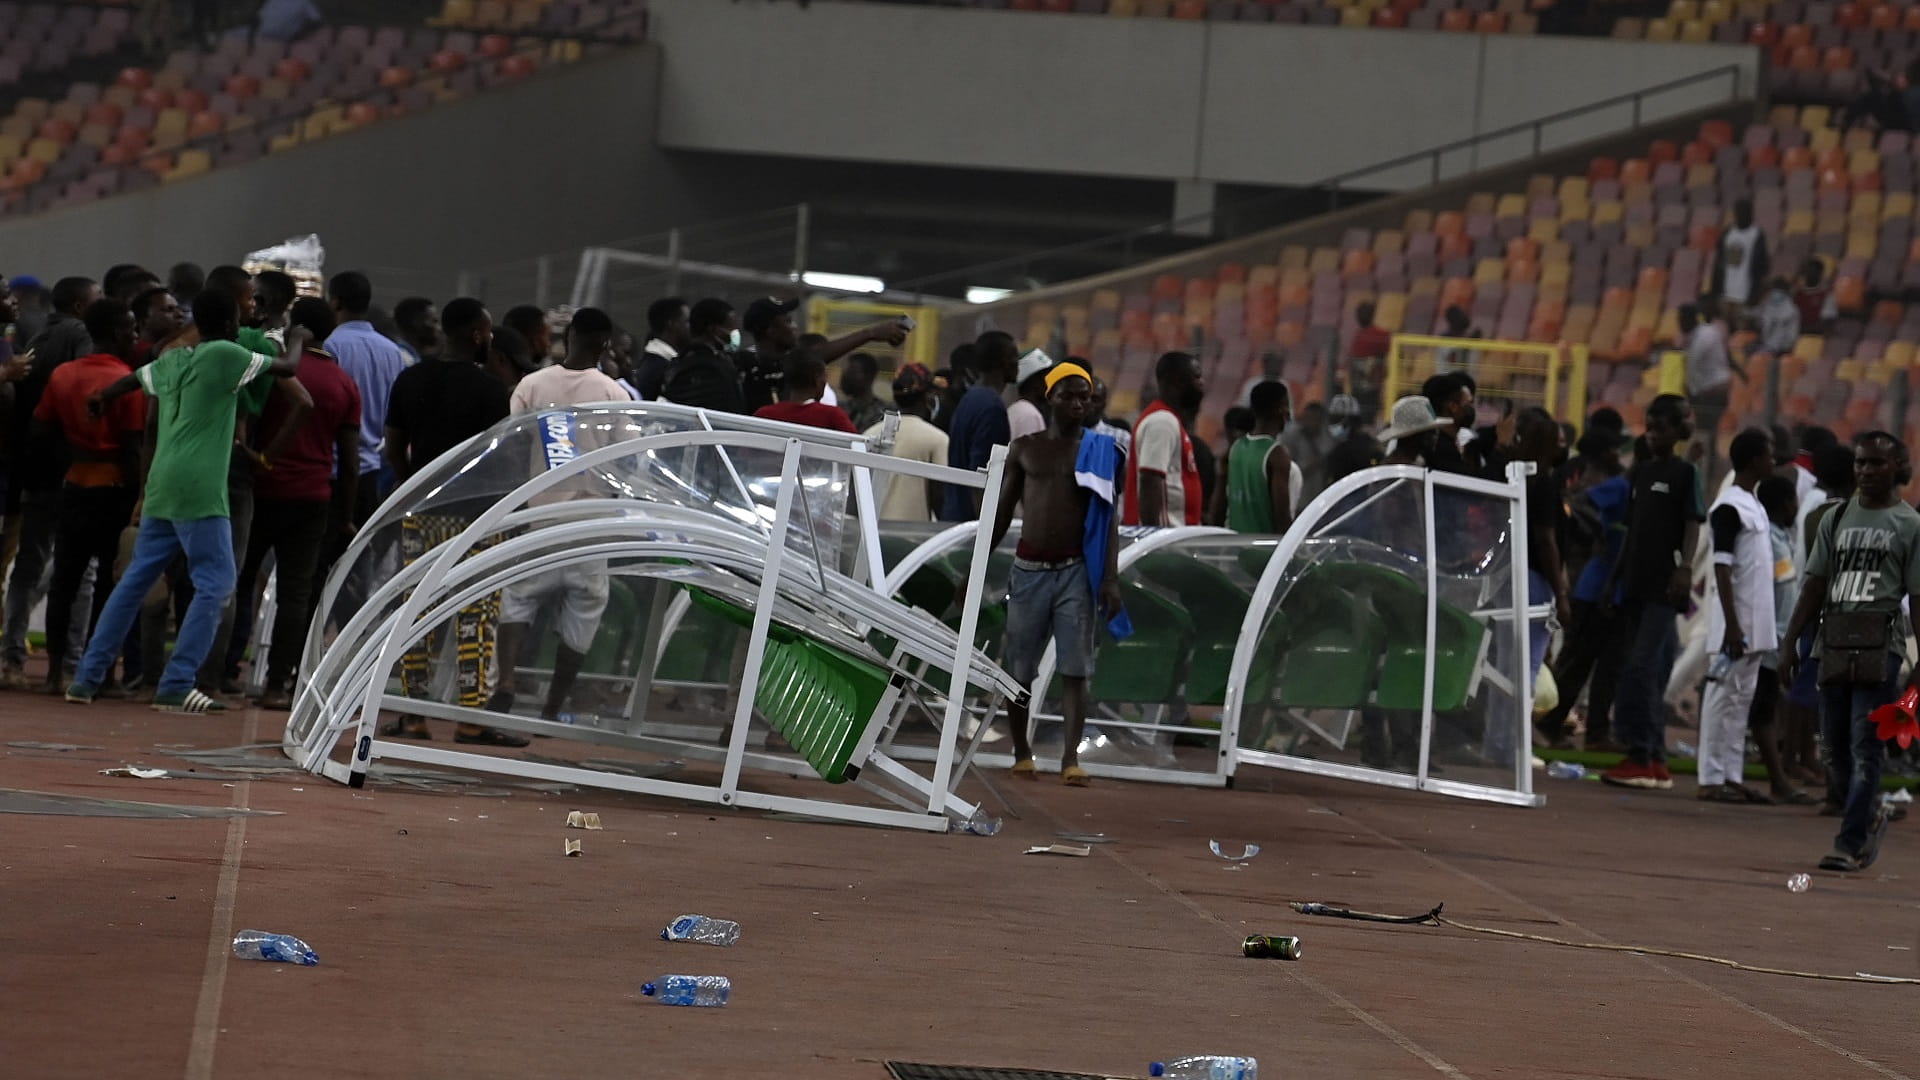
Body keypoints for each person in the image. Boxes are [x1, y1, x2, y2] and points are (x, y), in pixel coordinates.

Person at [65, 289, 306, 713]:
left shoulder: (176, 358)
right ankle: (177, 682)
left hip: (162, 482)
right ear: (231, 325)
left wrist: (104, 398)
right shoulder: (225, 355)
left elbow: (134, 379)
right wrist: (296, 334)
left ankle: (86, 678)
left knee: (136, 579)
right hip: (200, 487)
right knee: (216, 583)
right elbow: (285, 366)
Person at [382, 297, 522, 747]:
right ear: (479, 334)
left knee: (417, 614)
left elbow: (393, 447)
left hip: (422, 516)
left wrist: (415, 492)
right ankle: (470, 719)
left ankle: (413, 714)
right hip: (475, 518)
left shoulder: (410, 378)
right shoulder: (490, 390)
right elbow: (501, 461)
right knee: (476, 617)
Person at [1780, 431, 1920, 872]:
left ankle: (1849, 839)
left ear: (1897, 466)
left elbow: (1917, 596)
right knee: (1834, 748)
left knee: (1865, 745)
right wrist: (1789, 642)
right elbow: (1815, 583)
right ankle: (1869, 810)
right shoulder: (1835, 518)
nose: (1865, 471)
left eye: (1876, 463)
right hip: (1833, 641)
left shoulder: (1909, 524)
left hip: (1882, 645)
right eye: (1860, 463)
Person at [981, 362, 1123, 787]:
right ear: (1050, 398)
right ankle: (1022, 751)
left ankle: (1069, 758)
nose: (1079, 403)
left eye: (1086, 396)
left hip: (1076, 572)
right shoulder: (1025, 449)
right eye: (1070, 395)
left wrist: (1110, 578)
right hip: (1028, 570)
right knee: (1018, 666)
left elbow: (1108, 520)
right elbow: (1002, 514)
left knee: (1076, 668)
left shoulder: (1104, 451)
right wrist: (975, 566)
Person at [488, 309, 630, 724]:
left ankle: (507, 683)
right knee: (585, 609)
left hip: (540, 519)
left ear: (566, 336)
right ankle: (552, 707)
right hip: (588, 523)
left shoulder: (532, 385)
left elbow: (512, 445)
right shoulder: (614, 394)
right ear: (605, 345)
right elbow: (626, 462)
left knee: (516, 600)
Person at [229, 296, 359, 709]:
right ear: (330, 331)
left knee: (241, 579)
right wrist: (346, 515)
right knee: (296, 593)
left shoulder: (273, 369)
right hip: (313, 496)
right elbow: (350, 459)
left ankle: (222, 671)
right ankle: (277, 686)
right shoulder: (343, 383)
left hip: (261, 489)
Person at [33, 299, 144, 694]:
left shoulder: (64, 375)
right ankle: (103, 675)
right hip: (114, 489)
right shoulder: (125, 380)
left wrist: (73, 453)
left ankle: (55, 671)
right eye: (131, 328)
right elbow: (132, 447)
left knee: (65, 579)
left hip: (75, 484)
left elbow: (42, 429)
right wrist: (138, 494)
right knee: (109, 587)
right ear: (116, 332)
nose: (135, 335)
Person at [0, 275, 101, 689]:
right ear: (80, 307)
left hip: (34, 468)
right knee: (82, 570)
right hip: (72, 468)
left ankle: (13, 660)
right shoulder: (79, 335)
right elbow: (84, 390)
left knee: (29, 565)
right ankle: (69, 667)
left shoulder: (33, 335)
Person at [1600, 394, 1704, 791]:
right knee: (1654, 667)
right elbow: (1632, 531)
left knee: (1641, 666)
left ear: (1680, 430)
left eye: (1662, 428)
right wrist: (1615, 578)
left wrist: (1685, 568)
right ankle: (1657, 759)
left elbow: (1693, 523)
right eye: (1650, 427)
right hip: (1636, 583)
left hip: (1665, 585)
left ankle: (1641, 753)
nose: (1654, 435)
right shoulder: (1641, 473)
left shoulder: (1684, 473)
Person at [1696, 429, 1780, 804]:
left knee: (1740, 699)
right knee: (1720, 696)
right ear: (1753, 461)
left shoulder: (1753, 504)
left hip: (1755, 619)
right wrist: (1732, 622)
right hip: (1736, 619)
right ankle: (1710, 776)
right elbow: (1722, 568)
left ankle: (1730, 774)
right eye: (1769, 455)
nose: (1773, 461)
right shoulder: (1729, 507)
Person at [1539, 431, 1636, 750]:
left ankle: (1589, 730)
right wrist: (1601, 534)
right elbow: (1577, 504)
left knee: (1601, 663)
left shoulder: (1625, 486)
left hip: (1603, 585)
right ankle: (1555, 724)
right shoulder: (1620, 486)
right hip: (1598, 586)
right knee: (1581, 661)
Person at [1748, 473, 1819, 806]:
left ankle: (1779, 775)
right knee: (1761, 711)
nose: (1797, 506)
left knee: (1767, 708)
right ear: (1785, 504)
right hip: (1767, 640)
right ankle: (1778, 780)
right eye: (1793, 501)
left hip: (1778, 640)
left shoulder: (1781, 538)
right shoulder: (1769, 542)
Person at [737, 297, 906, 412]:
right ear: (771, 331)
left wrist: (871, 334)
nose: (795, 326)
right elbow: (816, 355)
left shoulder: (786, 363)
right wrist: (871, 333)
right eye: (787, 321)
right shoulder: (746, 365)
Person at [939, 331, 1017, 522]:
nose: (1018, 363)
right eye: (1015, 356)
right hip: (970, 525)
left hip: (954, 516)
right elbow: (981, 475)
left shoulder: (971, 398)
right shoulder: (992, 407)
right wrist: (987, 530)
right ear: (1004, 361)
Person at [1124, 351, 1205, 527]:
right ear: (1176, 382)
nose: (1202, 384)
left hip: (1175, 536)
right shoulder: (1162, 422)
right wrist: (1153, 535)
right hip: (1165, 540)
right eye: (1196, 377)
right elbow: (1150, 479)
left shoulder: (1169, 420)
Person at [864, 363, 947, 521]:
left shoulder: (871, 433)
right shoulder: (937, 439)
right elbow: (940, 498)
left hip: (870, 535)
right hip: (913, 537)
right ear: (928, 396)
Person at [1224, 380, 1296, 534]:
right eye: (1286, 405)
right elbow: (1282, 518)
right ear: (1279, 409)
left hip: (1236, 548)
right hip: (1263, 551)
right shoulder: (1277, 454)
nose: (1289, 412)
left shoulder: (1236, 447)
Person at [1680, 302, 1737, 481]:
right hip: (1716, 390)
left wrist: (1690, 395)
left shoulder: (1701, 340)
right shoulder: (1708, 331)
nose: (1679, 324)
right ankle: (1709, 469)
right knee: (1708, 433)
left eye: (1681, 320)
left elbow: (1693, 371)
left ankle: (1708, 472)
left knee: (1706, 434)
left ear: (1690, 319)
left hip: (1711, 393)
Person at [661, 298, 746, 414]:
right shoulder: (704, 368)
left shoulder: (683, 361)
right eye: (730, 328)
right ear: (713, 329)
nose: (734, 333)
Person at [1710, 198, 1770, 326]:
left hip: (1746, 296)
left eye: (1745, 211)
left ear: (1751, 213)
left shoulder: (1757, 235)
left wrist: (1755, 295)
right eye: (1739, 211)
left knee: (1741, 335)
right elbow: (1718, 264)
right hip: (1726, 295)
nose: (1741, 214)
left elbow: (1763, 268)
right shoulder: (1727, 233)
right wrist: (1715, 291)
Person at [635, 297, 689, 401]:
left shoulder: (660, 363)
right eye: (687, 321)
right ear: (672, 324)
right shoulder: (660, 368)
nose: (692, 327)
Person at [1421, 371, 1475, 475]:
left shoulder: (1437, 440)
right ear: (1453, 407)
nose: (1471, 410)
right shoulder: (1440, 448)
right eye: (1468, 404)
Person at [1321, 393, 1381, 486]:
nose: (1333, 424)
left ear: (1350, 421)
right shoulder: (1370, 444)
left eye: (1337, 419)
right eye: (1332, 419)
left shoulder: (1364, 447)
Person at [1281, 400, 1336, 503]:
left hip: (1320, 496)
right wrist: (1311, 465)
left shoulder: (1328, 438)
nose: (1313, 422)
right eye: (1309, 418)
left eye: (1316, 419)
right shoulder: (1292, 437)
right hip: (1298, 496)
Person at [1348, 300, 1391, 421]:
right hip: (1361, 383)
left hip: (1370, 383)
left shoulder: (1379, 335)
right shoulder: (1359, 335)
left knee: (1366, 414)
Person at [129, 286, 186, 366]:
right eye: (169, 309)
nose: (180, 314)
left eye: (179, 309)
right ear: (143, 320)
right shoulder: (138, 353)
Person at [1007, 349, 1052, 442]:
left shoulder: (1020, 409)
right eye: (1048, 378)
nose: (1052, 383)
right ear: (1035, 383)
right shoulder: (1029, 415)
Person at [1755, 277, 1800, 360]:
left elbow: (1792, 335)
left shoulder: (1791, 310)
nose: (1774, 293)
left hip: (1781, 350)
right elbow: (1760, 323)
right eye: (1773, 290)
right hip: (1764, 345)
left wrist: (1783, 349)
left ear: (1785, 292)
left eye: (1778, 290)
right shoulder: (1767, 304)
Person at [839, 351, 885, 432]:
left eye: (852, 372)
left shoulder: (881, 414)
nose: (847, 378)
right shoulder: (840, 408)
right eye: (845, 373)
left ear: (869, 376)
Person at [1792, 257, 1838, 333]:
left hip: (1812, 338)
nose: (1809, 274)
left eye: (1812, 271)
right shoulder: (1796, 294)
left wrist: (1799, 330)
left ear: (1820, 273)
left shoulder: (1827, 296)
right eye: (1807, 271)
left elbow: (1825, 325)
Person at [393, 296, 443, 364]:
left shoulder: (414, 359)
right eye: (434, 321)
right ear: (415, 323)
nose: (439, 328)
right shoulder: (403, 361)